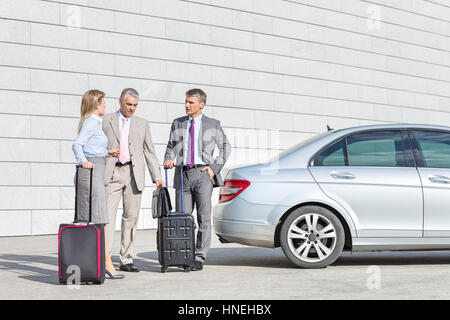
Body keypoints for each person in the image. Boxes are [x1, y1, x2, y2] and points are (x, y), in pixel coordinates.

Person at [163, 88, 231, 271]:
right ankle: (185, 254)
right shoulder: (178, 123)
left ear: (201, 104)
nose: (186, 105)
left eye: (191, 102)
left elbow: (226, 147)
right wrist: (168, 159)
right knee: (183, 219)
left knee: (203, 219)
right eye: (185, 102)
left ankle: (199, 257)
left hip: (203, 175)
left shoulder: (213, 124)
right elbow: (171, 145)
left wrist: (214, 168)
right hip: (183, 175)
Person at [103, 88, 164, 273]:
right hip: (112, 172)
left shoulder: (142, 124)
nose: (132, 108)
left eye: (135, 106)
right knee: (107, 217)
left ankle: (126, 258)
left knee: (131, 217)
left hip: (134, 173)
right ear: (120, 101)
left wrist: (157, 176)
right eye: (129, 104)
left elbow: (149, 151)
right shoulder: (105, 120)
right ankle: (104, 258)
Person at [72, 89, 125, 280]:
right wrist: (83, 161)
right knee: (99, 218)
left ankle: (100, 262)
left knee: (98, 218)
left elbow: (90, 146)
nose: (105, 106)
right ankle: (106, 263)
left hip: (98, 167)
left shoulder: (94, 122)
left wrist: (108, 152)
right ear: (96, 104)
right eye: (103, 102)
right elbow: (77, 145)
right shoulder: (91, 123)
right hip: (92, 172)